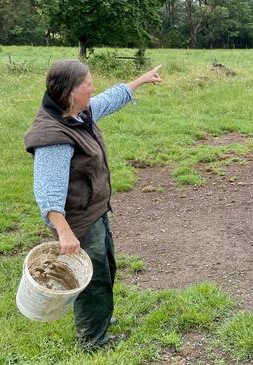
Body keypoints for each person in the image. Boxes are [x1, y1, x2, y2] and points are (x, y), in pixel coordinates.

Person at [24, 59, 162, 349]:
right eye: (88, 83)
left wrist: (139, 81)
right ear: (71, 91)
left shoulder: (77, 114)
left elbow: (106, 100)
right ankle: (92, 341)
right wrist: (64, 232)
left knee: (106, 268)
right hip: (78, 221)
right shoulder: (54, 137)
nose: (93, 87)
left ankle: (98, 319)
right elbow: (47, 192)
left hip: (94, 209)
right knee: (93, 277)